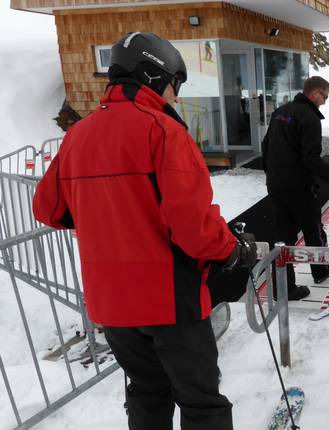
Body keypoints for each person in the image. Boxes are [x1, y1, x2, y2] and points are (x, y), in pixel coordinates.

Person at [33, 32, 257, 430]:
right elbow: (193, 226)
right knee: (201, 403)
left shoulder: (78, 135)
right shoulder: (164, 131)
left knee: (147, 393)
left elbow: (48, 209)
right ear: (153, 76)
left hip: (113, 305)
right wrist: (233, 251)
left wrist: (103, 217)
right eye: (174, 85)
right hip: (169, 301)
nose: (175, 97)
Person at [262, 76, 329, 301]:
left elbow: (266, 145)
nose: (325, 102)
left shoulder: (280, 112)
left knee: (283, 237)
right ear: (315, 93)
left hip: (276, 185)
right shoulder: (310, 118)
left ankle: (285, 287)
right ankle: (321, 270)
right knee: (314, 230)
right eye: (325, 97)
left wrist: (271, 174)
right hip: (300, 188)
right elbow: (312, 159)